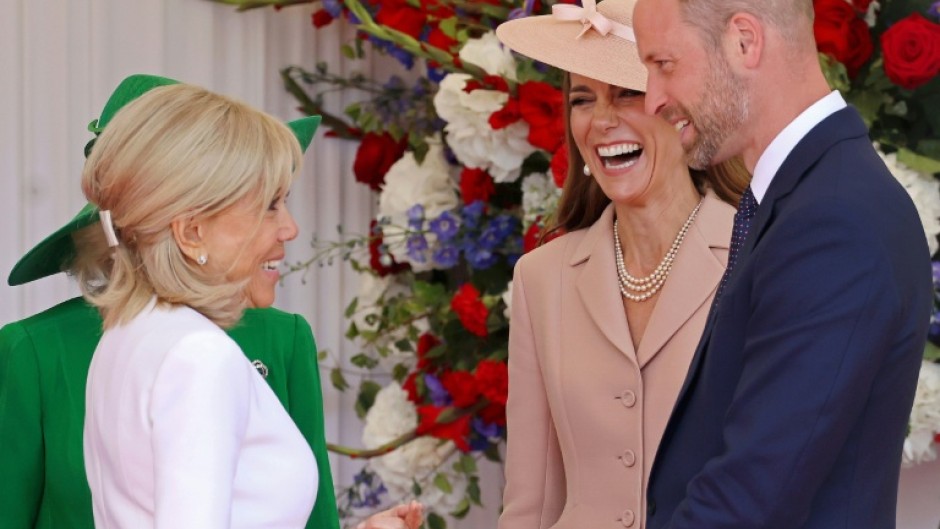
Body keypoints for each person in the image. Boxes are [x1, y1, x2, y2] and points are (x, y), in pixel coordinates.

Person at [631, 1, 932, 528]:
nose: (652, 99)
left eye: (664, 65)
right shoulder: (806, 198)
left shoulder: (834, 220)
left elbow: (751, 496)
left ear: (744, 41)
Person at [0, 74, 343, 529]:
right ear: (190, 231)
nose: (291, 228)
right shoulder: (198, 354)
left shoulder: (128, 333)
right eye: (269, 204)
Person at [494, 1, 748, 527]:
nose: (602, 120)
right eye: (583, 99)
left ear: (684, 112)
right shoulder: (541, 278)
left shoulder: (757, 257)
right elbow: (530, 501)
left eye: (627, 92)